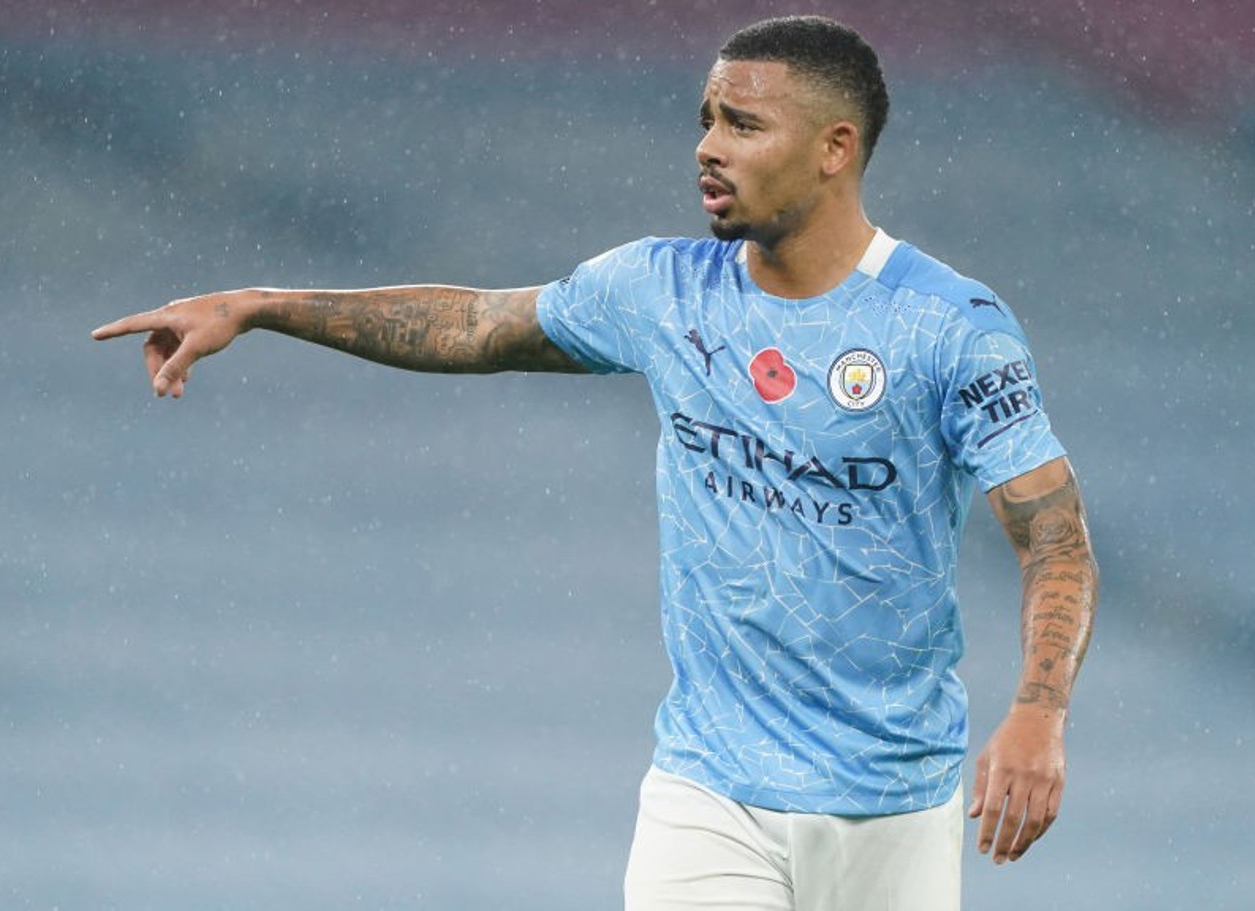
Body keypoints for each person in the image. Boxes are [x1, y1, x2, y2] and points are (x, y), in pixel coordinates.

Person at [93, 15, 1097, 910]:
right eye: (706, 119)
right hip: (709, 791)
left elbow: (1055, 539)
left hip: (894, 799)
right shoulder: (662, 290)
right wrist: (262, 306)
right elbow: (476, 325)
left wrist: (1038, 712)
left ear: (835, 147)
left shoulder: (947, 327)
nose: (708, 146)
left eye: (744, 125)